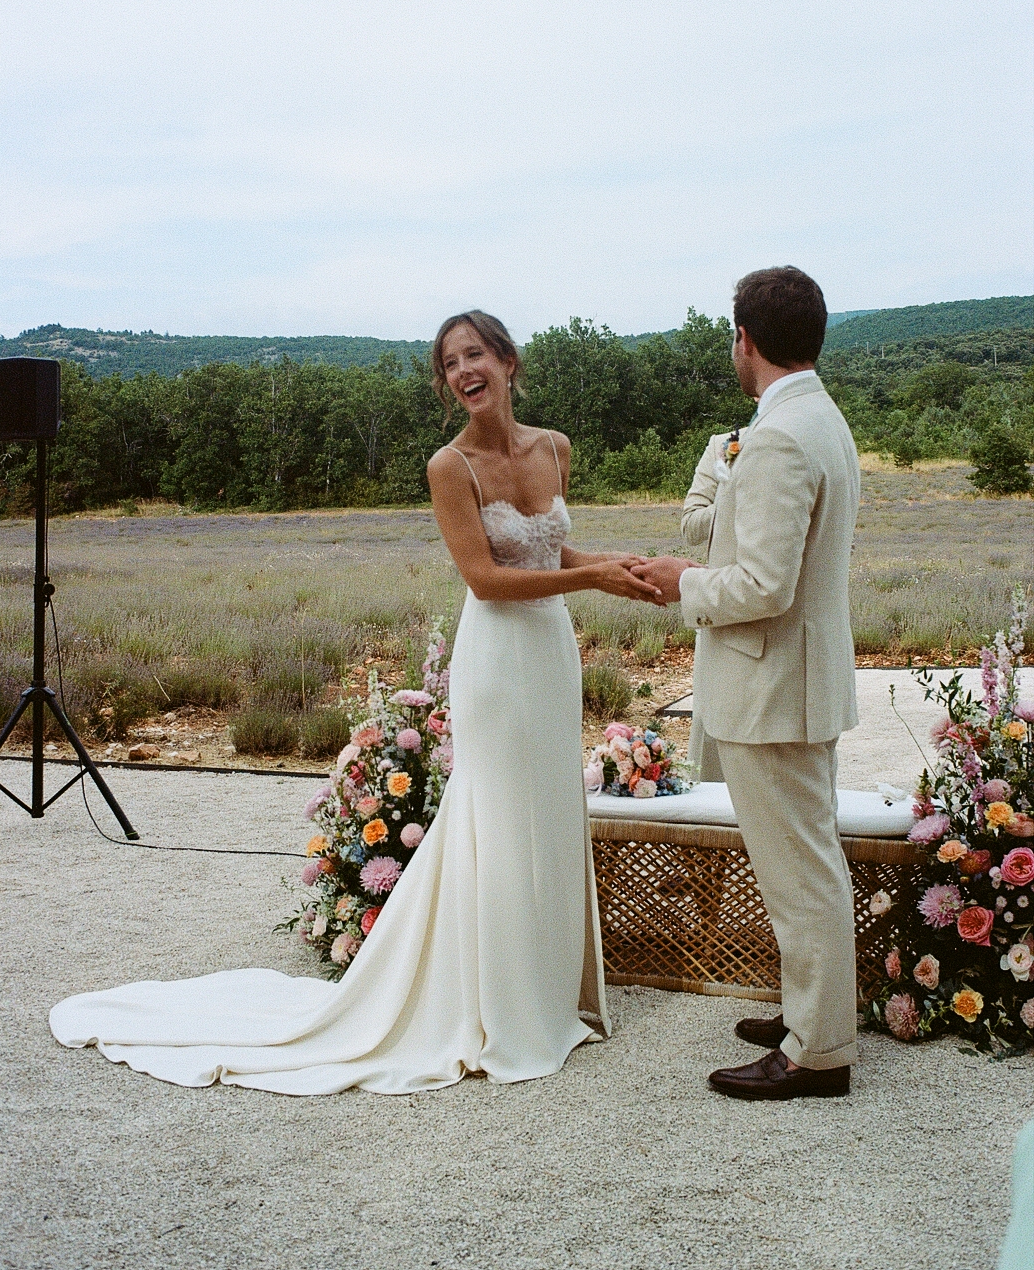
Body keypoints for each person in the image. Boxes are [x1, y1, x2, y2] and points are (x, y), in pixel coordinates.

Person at [49, 310, 662, 1095]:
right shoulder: (451, 465)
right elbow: (486, 577)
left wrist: (619, 565)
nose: (462, 371)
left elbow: (548, 548)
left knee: (547, 809)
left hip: (549, 654)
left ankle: (544, 996)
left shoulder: (554, 447)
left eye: (474, 355)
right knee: (499, 815)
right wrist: (591, 579)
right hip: (498, 655)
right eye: (448, 363)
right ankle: (496, 1006)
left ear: (508, 361)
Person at [633, 266, 861, 1100]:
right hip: (797, 682)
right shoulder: (820, 418)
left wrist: (678, 581)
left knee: (800, 875)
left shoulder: (775, 437)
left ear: (746, 340)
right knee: (807, 864)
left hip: (775, 692)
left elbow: (763, 584)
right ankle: (814, 1013)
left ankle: (817, 1053)